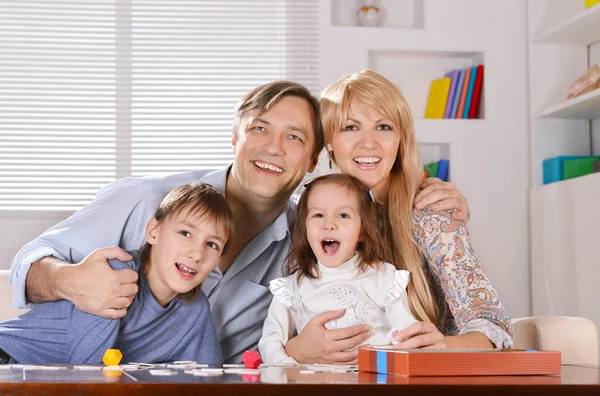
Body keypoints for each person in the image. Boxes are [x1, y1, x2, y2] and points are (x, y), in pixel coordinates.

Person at [9, 80, 470, 364]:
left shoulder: (308, 239)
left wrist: (418, 200)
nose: (274, 148)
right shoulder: (145, 199)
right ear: (234, 137)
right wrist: (68, 280)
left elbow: (367, 273)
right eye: (259, 129)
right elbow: (27, 263)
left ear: (312, 159)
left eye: (294, 137)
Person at [284, 70, 514, 365]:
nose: (369, 143)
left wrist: (444, 346)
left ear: (401, 138)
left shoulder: (431, 212)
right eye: (350, 128)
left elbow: (494, 326)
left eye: (383, 126)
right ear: (329, 141)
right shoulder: (305, 213)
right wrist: (294, 350)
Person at [0, 183, 232, 364]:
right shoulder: (115, 276)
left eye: (212, 245)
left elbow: (210, 381)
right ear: (153, 232)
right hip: (10, 360)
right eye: (185, 233)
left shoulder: (194, 310)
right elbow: (86, 373)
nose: (196, 253)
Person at [258, 174, 417, 363]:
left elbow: (408, 336)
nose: (329, 225)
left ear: (362, 231)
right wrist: (293, 370)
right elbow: (270, 343)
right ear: (305, 227)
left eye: (343, 215)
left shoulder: (384, 277)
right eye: (318, 215)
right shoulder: (292, 287)